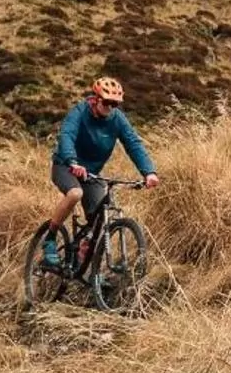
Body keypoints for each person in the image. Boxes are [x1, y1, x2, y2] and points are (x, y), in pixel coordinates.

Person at [44, 76, 160, 259]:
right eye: (107, 103)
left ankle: (91, 271)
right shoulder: (80, 112)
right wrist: (72, 161)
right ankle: (50, 238)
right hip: (65, 166)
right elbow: (67, 135)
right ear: (96, 99)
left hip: (91, 174)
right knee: (75, 193)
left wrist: (149, 172)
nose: (110, 108)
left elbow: (133, 143)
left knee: (100, 220)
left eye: (115, 104)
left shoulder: (117, 119)